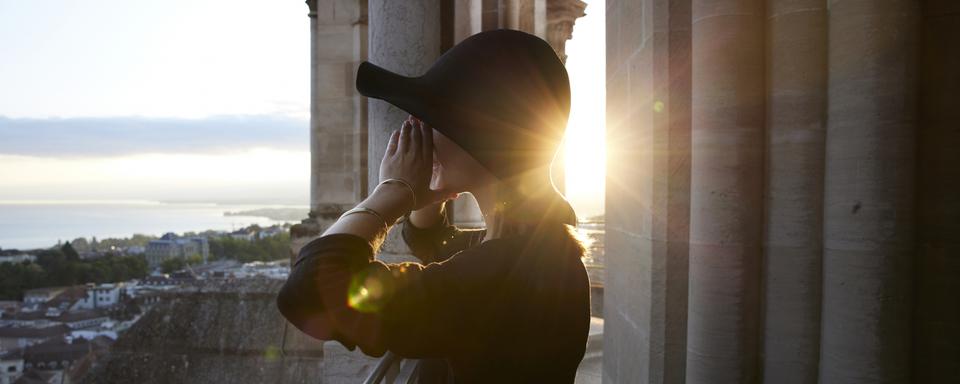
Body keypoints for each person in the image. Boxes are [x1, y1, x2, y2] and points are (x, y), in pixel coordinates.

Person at [276, 29, 591, 383]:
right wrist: (425, 202)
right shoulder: (536, 249)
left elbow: (310, 292)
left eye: (432, 119)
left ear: (482, 142)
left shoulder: (504, 275)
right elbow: (437, 244)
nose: (415, 127)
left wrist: (391, 192)